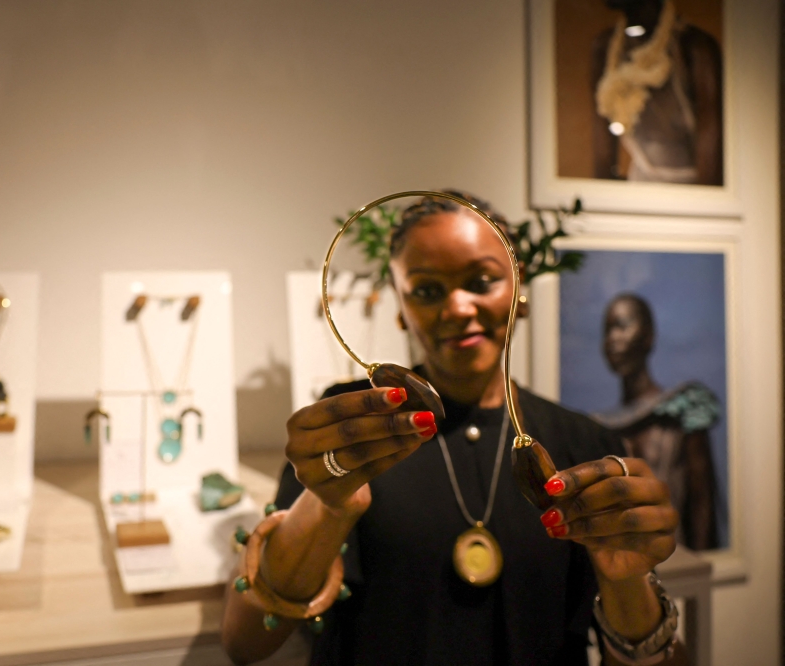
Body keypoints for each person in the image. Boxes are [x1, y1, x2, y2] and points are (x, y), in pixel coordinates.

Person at [221, 193, 684, 665]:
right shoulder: (354, 433)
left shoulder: (585, 446)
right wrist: (327, 506)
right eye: (426, 290)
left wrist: (627, 580)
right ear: (400, 308)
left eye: (481, 281)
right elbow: (246, 642)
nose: (459, 307)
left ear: (519, 292)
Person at [593, 293, 720, 550]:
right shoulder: (599, 426)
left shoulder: (682, 409)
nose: (612, 339)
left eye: (622, 325)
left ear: (648, 335)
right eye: (607, 330)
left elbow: (701, 504)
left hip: (679, 568)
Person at [591, 0, 723, 185]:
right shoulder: (607, 47)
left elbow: (710, 152)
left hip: (691, 190)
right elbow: (603, 158)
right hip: (639, 186)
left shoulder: (694, 47)